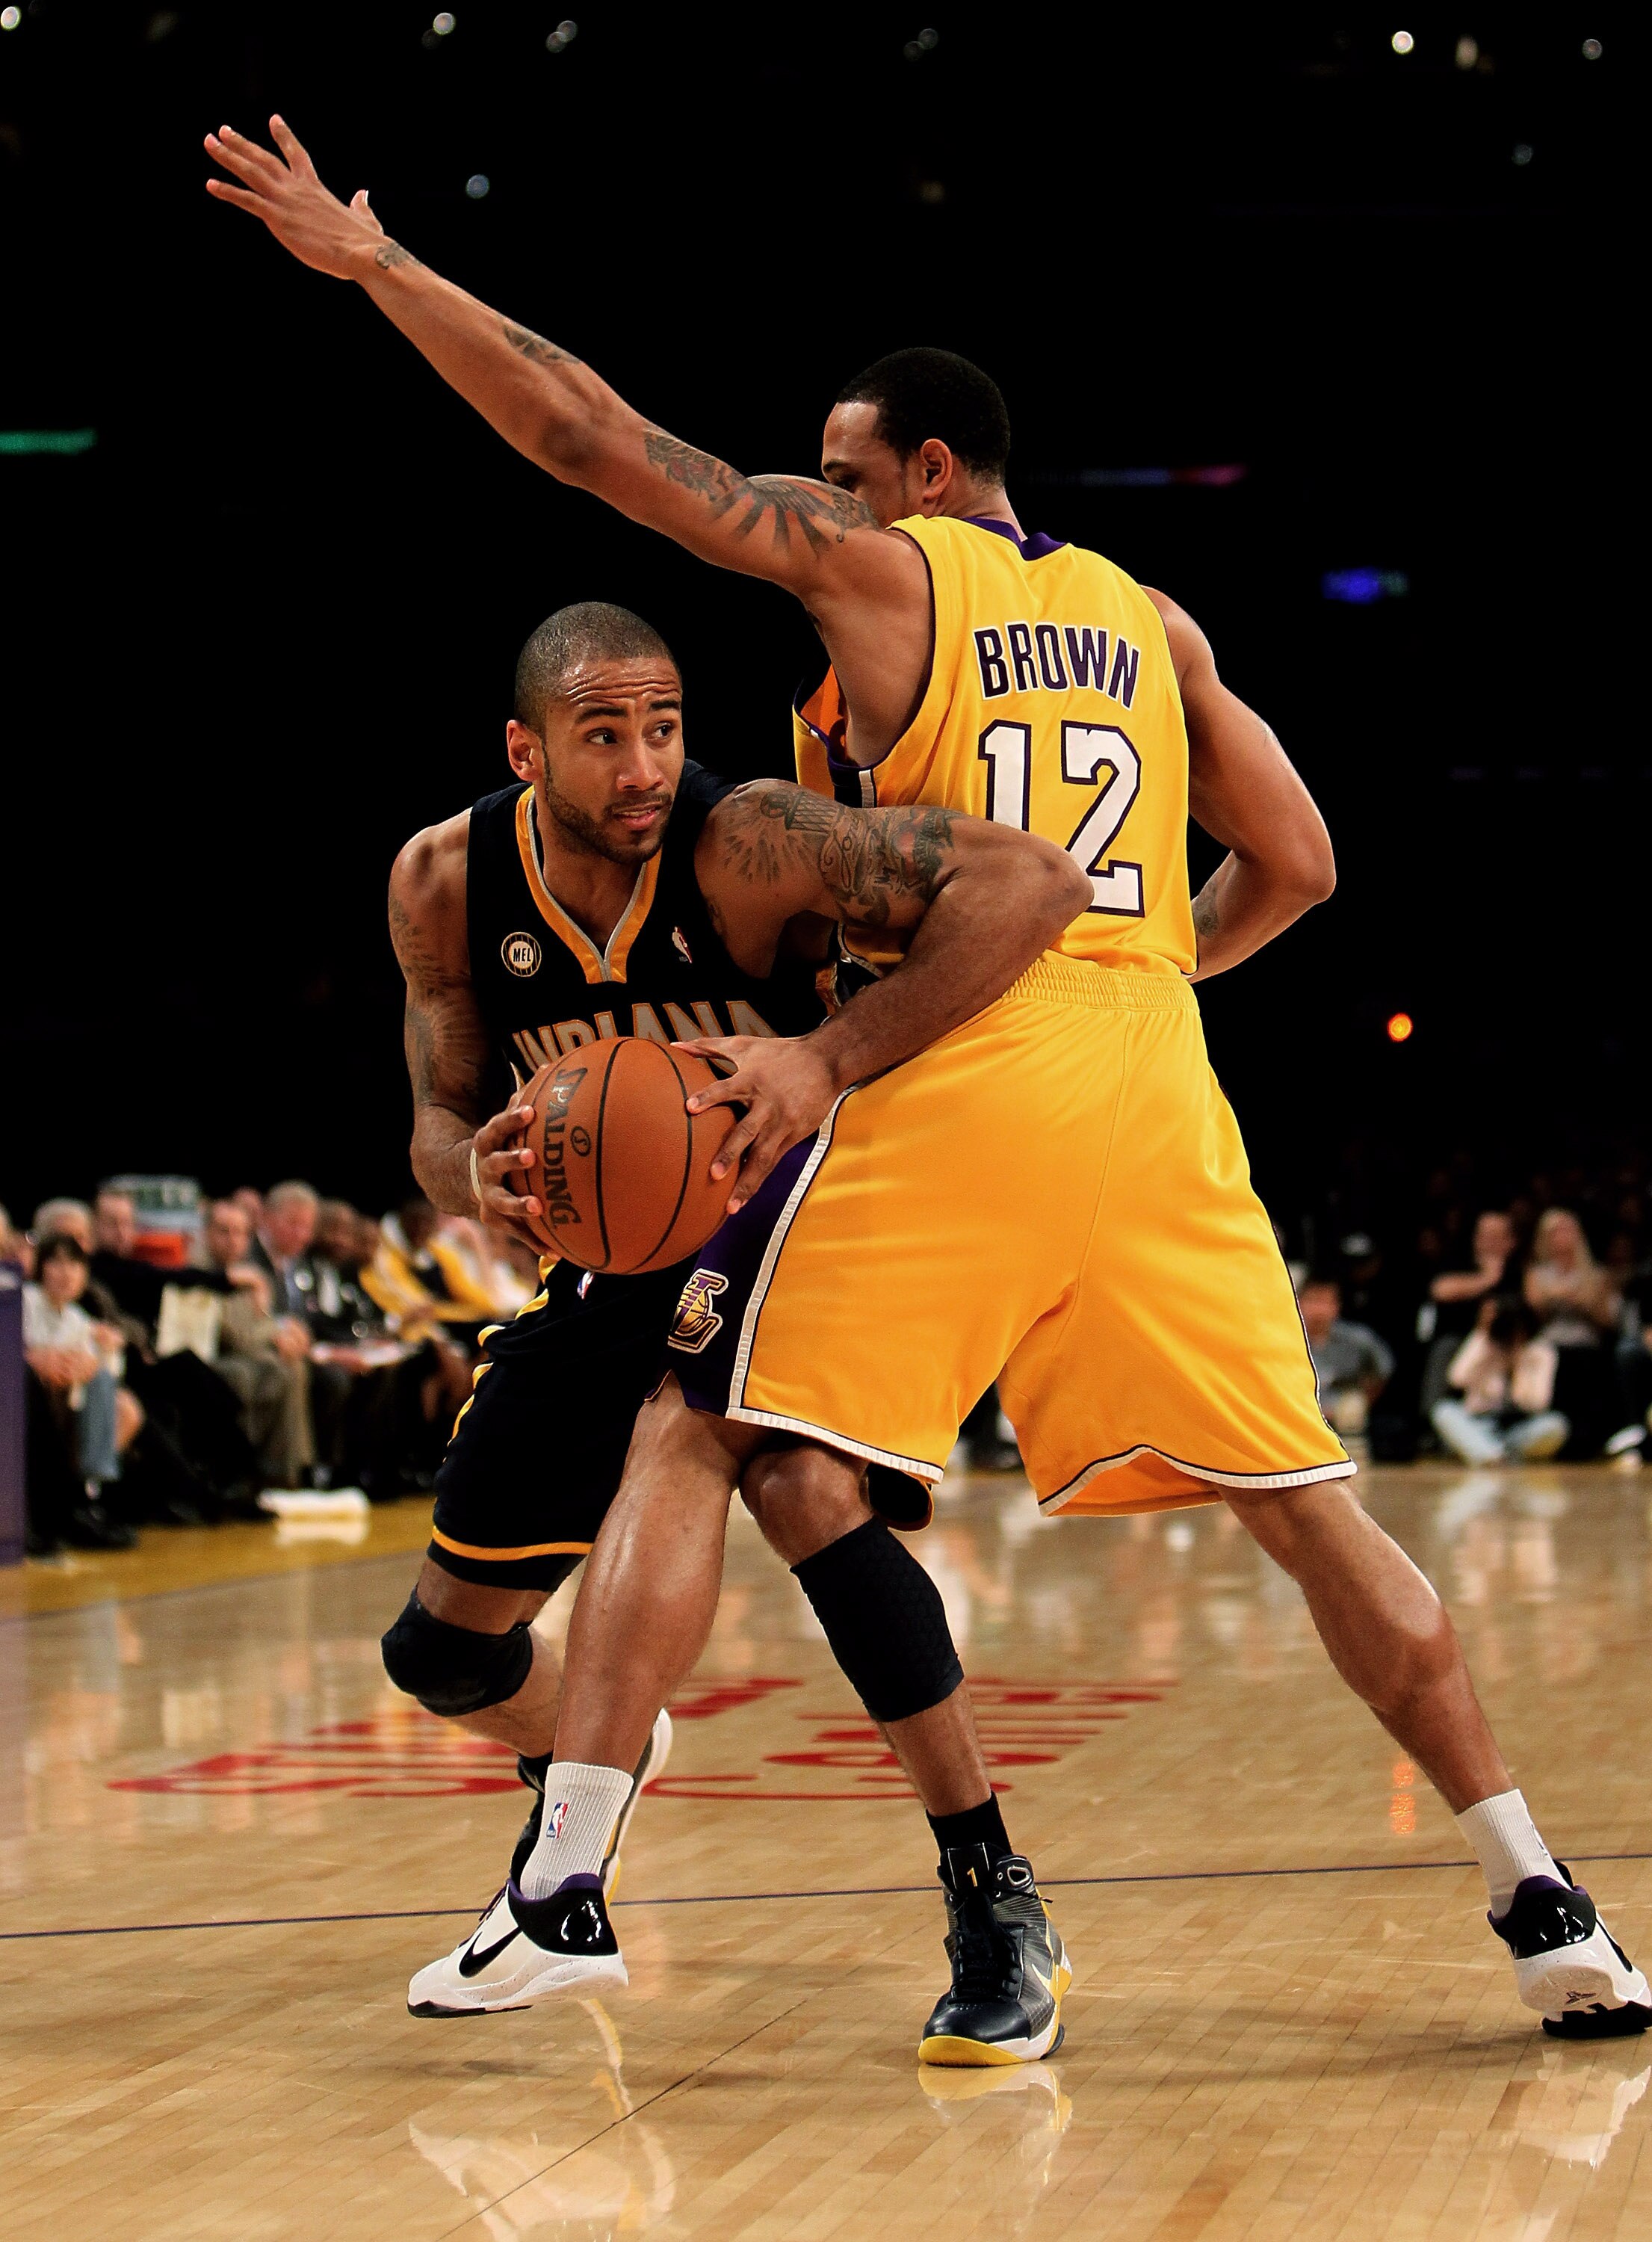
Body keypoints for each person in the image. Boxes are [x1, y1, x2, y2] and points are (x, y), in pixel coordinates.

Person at [208, 123, 1648, 2053]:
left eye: (847, 466)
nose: (816, 489)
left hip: (956, 1065)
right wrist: (1140, 974)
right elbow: (1297, 865)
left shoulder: (888, 585)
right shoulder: (1156, 618)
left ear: (928, 477)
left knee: (700, 1434)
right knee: (1309, 1507)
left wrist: (378, 270)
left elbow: (593, 443)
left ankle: (564, 1893)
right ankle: (1540, 1895)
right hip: (1154, 1081)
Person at [373, 596, 1077, 2013]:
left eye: (665, 728)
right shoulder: (444, 881)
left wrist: (828, 1055)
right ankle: (607, 1743)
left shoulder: (748, 841)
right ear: (525, 750)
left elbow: (1035, 884)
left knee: (792, 1484)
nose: (644, 766)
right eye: (605, 736)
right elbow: (440, 1114)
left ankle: (989, 1891)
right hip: (615, 1264)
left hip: (804, 1223)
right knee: (441, 1652)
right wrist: (475, 1182)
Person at [22, 1233, 140, 1550]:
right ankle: (84, 1498)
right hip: (30, 1399)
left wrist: (97, 1357)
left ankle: (89, 1495)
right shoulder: (26, 1302)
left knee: (112, 1394)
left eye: (74, 1264)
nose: (66, 1273)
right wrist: (38, 1358)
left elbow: (111, 1370)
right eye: (56, 1263)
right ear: (40, 1268)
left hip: (67, 1401)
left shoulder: (77, 1318)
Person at [1432, 1301, 1569, 1466]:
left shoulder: (1541, 1352)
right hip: (1481, 1426)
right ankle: (1492, 1456)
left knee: (1556, 1424)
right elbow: (1457, 1379)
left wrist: (1520, 1362)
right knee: (1443, 1411)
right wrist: (1482, 1334)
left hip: (1519, 1429)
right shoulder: (1483, 1344)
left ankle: (1491, 1454)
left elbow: (1539, 1403)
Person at [1297, 1276, 1393, 1439]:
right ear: (1298, 1303)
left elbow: (1382, 1371)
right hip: (1299, 1405)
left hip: (1342, 1405)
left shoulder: (1358, 1339)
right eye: (1312, 1302)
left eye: (1325, 1303)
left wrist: (1364, 1400)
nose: (1318, 1310)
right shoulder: (1285, 1340)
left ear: (1336, 1306)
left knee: (1352, 1407)